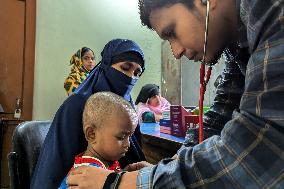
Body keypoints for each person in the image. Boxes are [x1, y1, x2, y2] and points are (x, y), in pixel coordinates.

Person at [66, 0, 284, 188]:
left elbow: (255, 150)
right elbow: (218, 116)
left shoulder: (271, 9)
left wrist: (119, 183)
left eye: (172, 33)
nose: (176, 52)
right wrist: (168, 169)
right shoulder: (239, 46)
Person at [31, 39, 146, 189]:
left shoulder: (127, 109)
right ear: (106, 65)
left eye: (137, 73)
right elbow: (52, 170)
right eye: (125, 67)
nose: (131, 77)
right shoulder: (77, 105)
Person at [59, 92, 147, 189]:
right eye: (121, 137)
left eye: (129, 137)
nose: (128, 144)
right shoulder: (85, 176)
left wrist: (122, 176)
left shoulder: (105, 162)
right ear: (92, 134)